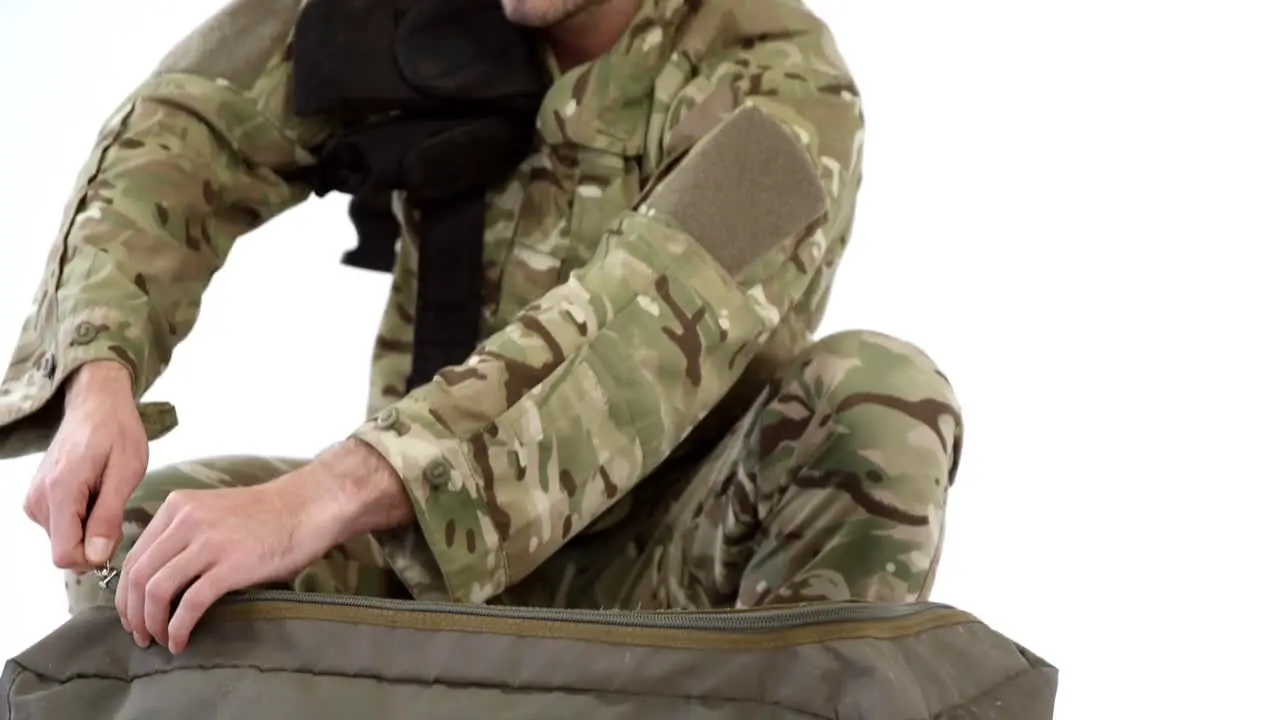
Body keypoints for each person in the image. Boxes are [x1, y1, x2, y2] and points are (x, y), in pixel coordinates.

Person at [0, 0, 963, 656]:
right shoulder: (416, 14)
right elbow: (184, 131)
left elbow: (632, 339)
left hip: (673, 575)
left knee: (882, 402)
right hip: (424, 571)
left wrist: (318, 498)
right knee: (150, 554)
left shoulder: (784, 85)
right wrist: (97, 372)